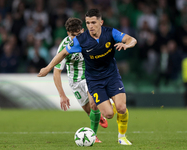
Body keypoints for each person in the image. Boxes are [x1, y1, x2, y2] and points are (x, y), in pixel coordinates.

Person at [38, 9, 137, 145]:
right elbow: (61, 55)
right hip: (91, 80)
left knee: (119, 107)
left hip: (109, 76)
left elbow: (132, 39)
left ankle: (120, 137)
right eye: (88, 22)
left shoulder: (110, 33)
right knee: (107, 114)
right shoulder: (79, 41)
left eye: (93, 22)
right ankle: (104, 111)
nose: (90, 26)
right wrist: (48, 68)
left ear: (100, 22)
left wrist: (127, 44)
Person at [53, 18, 108, 143]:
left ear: (83, 30)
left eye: (79, 35)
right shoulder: (64, 47)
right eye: (73, 36)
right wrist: (62, 95)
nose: (76, 38)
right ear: (68, 34)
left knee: (94, 103)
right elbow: (56, 72)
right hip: (75, 82)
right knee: (89, 110)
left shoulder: (92, 39)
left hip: (90, 77)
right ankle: (97, 114)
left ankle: (93, 136)